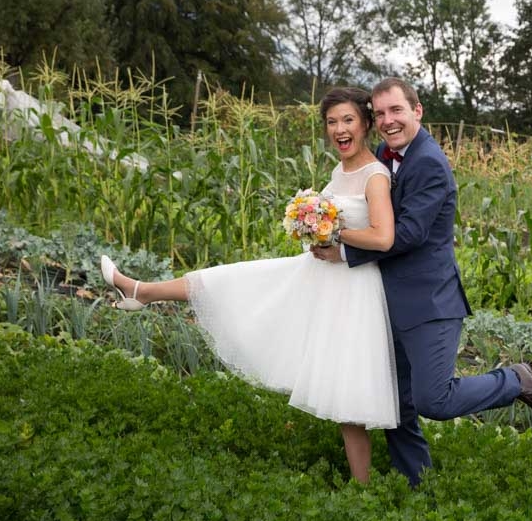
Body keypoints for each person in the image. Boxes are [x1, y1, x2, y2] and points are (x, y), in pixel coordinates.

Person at [99, 87, 396, 484]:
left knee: (347, 395)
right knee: (231, 280)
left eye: (347, 121)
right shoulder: (338, 173)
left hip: (351, 289)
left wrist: (333, 230)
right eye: (331, 122)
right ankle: (141, 291)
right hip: (320, 276)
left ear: (365, 124)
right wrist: (312, 230)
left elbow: (383, 238)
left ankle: (365, 491)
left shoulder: (375, 176)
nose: (339, 129)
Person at [312, 77, 532, 486]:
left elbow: (407, 235)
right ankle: (416, 484)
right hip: (383, 298)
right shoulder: (384, 157)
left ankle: (514, 380)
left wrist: (343, 248)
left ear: (417, 111)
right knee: (398, 402)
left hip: (428, 302)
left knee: (433, 399)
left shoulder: (428, 163)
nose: (388, 120)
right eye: (381, 112)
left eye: (397, 110)